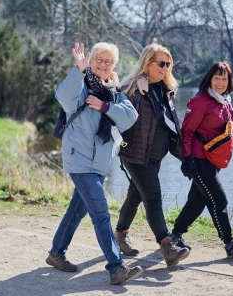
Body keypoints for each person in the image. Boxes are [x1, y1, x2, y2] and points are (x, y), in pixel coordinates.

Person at [46, 42, 142, 285]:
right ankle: (116, 267)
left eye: (108, 61)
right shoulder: (80, 89)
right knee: (101, 214)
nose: (102, 64)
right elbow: (62, 95)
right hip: (79, 160)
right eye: (99, 59)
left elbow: (130, 118)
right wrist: (79, 70)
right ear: (91, 60)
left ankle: (56, 253)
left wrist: (104, 106)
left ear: (113, 66)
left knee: (76, 210)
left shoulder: (114, 92)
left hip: (99, 163)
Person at [171, 61, 233, 258]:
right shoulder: (201, 101)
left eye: (224, 78)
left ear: (229, 81)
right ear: (209, 79)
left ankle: (175, 235)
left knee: (197, 202)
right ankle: (230, 243)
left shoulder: (225, 102)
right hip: (198, 160)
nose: (220, 82)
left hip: (213, 160)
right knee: (219, 200)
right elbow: (186, 132)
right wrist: (187, 159)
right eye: (216, 78)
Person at [114, 43, 190, 267]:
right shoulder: (131, 89)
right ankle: (167, 245)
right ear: (147, 63)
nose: (165, 68)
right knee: (154, 198)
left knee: (136, 195)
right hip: (135, 153)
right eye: (161, 64)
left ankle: (119, 235)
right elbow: (117, 117)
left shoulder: (165, 91)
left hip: (156, 155)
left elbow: (168, 125)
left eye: (168, 64)